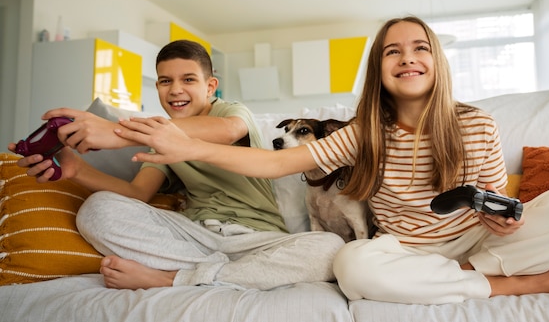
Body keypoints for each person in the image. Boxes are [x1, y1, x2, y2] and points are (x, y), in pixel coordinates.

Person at [112, 17, 549, 305]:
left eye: (419, 47)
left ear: (435, 62)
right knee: (351, 265)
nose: (407, 57)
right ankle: (524, 282)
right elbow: (276, 166)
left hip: (476, 240)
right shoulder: (364, 133)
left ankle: (472, 271)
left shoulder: (477, 123)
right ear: (380, 68)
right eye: (392, 51)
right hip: (402, 251)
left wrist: (503, 220)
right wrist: (192, 147)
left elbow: (499, 202)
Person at [9, 39, 344, 290]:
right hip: (193, 236)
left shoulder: (230, 112)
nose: (175, 90)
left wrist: (117, 131)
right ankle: (230, 275)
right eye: (165, 81)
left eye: (188, 80)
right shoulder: (159, 136)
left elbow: (228, 132)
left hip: (256, 238)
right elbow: (136, 193)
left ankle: (174, 278)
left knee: (329, 249)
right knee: (98, 209)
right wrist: (77, 170)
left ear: (211, 86)